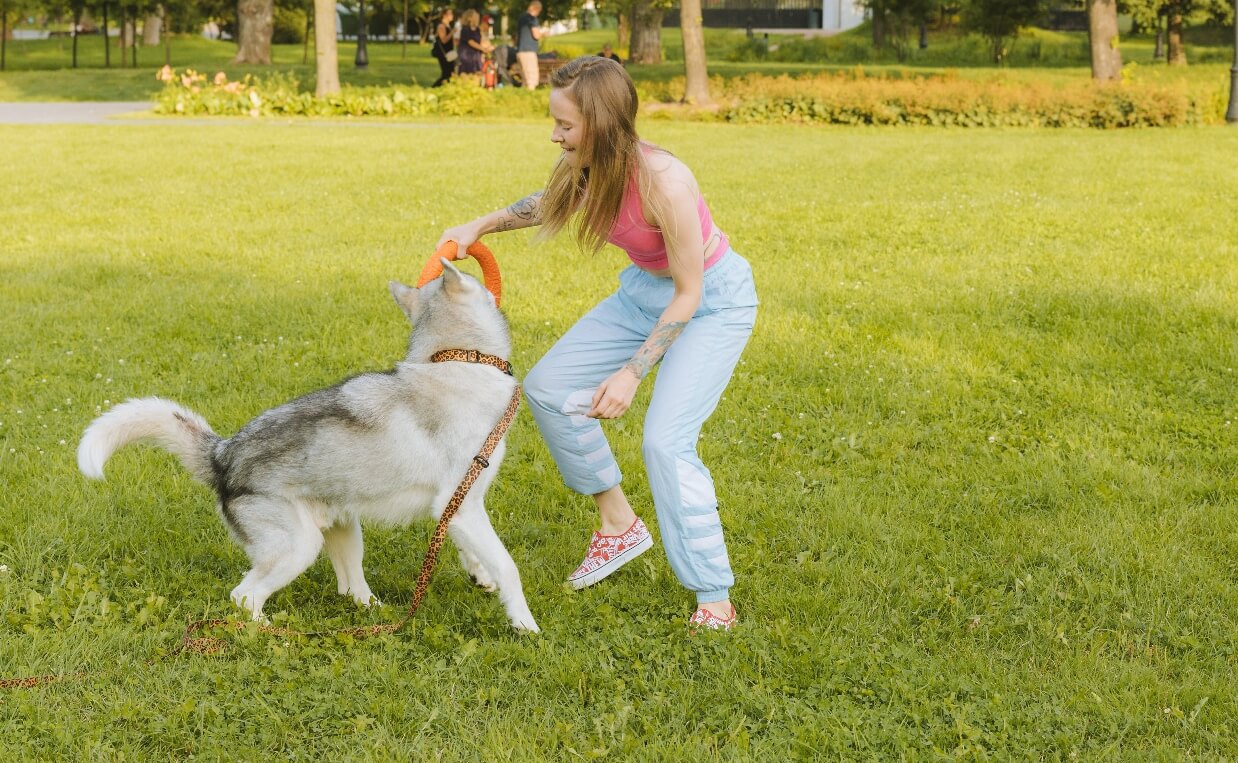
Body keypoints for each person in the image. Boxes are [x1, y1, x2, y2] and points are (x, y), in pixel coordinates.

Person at [436, 57, 758, 632]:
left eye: (564, 125)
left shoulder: (667, 183)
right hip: (642, 294)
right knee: (549, 387)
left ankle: (714, 596)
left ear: (603, 123)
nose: (554, 135)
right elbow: (545, 203)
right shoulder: (586, 168)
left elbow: (689, 294)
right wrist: (478, 226)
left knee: (665, 440)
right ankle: (618, 524)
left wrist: (632, 373)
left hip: (711, 305)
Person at [515, 1, 545, 90]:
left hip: (520, 51)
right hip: (529, 52)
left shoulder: (521, 18)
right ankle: (532, 100)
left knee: (525, 81)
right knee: (532, 80)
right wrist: (543, 34)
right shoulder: (532, 19)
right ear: (537, 9)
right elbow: (536, 35)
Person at [457, 9, 493, 76]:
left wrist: (488, 47)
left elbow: (480, 40)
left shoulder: (477, 29)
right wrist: (483, 49)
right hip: (467, 54)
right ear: (469, 18)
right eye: (474, 16)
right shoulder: (465, 29)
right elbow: (471, 42)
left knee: (478, 71)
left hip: (476, 54)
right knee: (467, 72)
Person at [430, 9, 456, 88]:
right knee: (446, 73)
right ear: (445, 15)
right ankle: (435, 87)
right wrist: (452, 33)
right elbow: (443, 40)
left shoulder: (448, 26)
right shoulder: (441, 26)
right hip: (443, 53)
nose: (452, 16)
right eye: (450, 14)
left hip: (449, 52)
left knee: (450, 72)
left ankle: (445, 86)